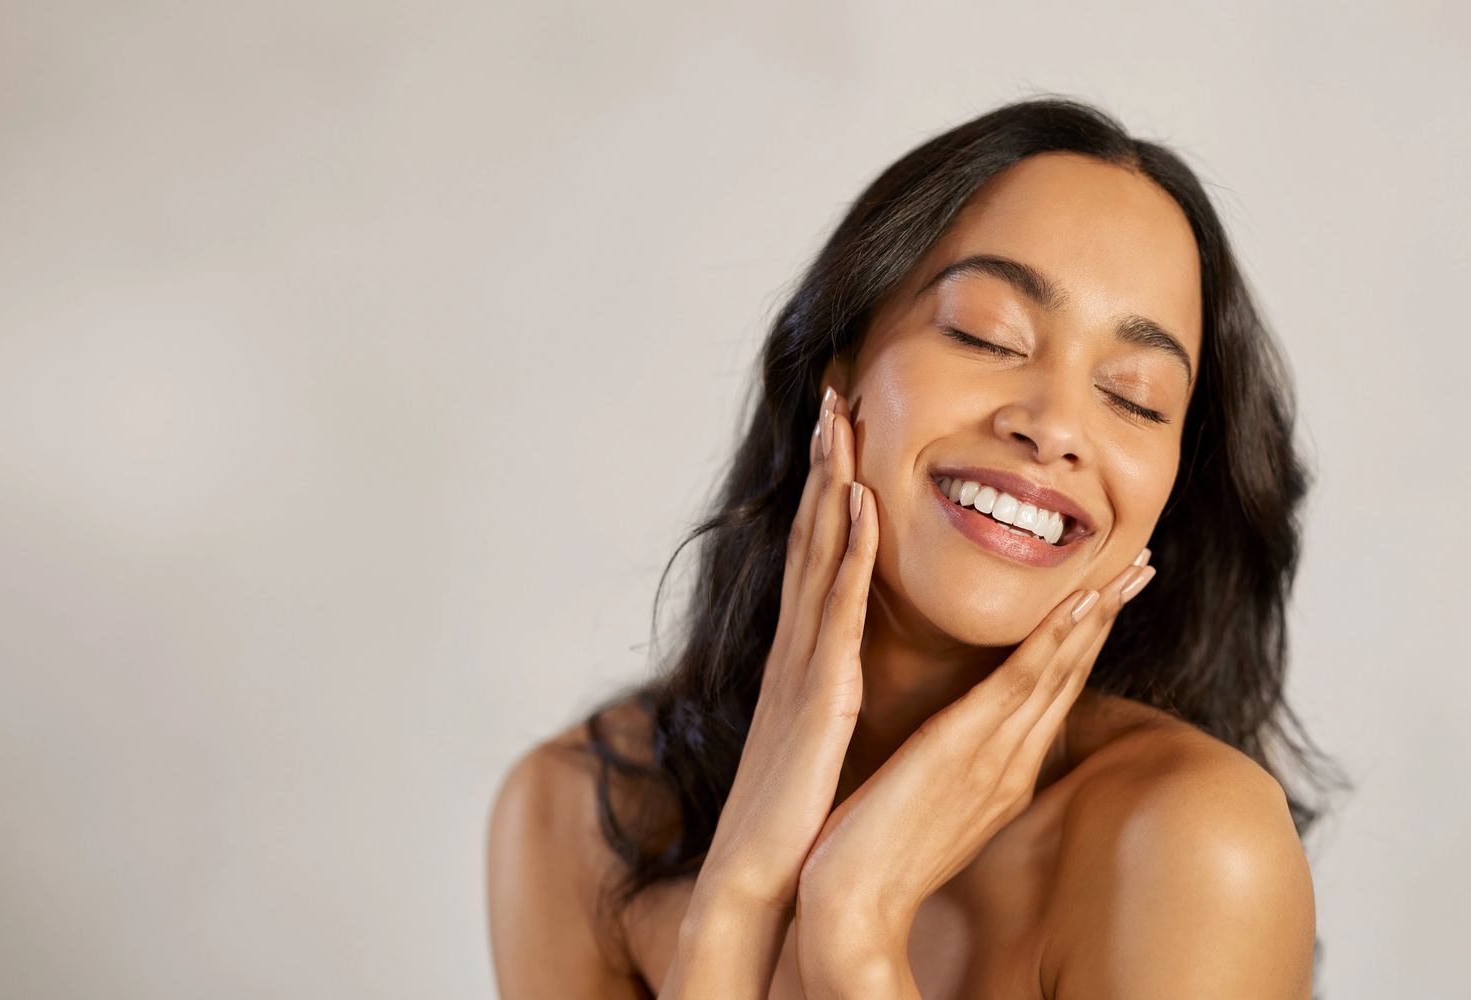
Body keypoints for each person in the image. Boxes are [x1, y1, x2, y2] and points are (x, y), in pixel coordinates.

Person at [487, 96, 1348, 999]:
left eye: (1134, 398)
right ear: (839, 365)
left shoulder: (1189, 844)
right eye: (985, 334)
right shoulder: (577, 811)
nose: (1054, 427)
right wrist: (736, 903)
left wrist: (855, 929)